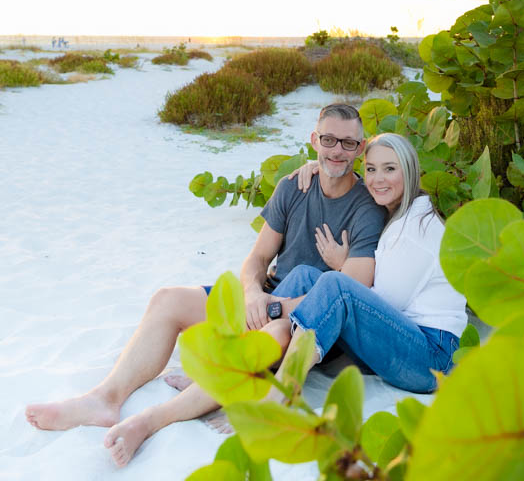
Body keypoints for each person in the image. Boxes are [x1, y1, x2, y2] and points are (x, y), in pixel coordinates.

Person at [25, 103, 387, 468]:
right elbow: (258, 259)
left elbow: (350, 289)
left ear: (360, 148)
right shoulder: (293, 185)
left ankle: (152, 420)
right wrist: (252, 293)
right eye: (328, 140)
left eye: (347, 143)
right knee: (167, 300)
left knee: (263, 338)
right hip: (268, 296)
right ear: (314, 140)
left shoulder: (367, 207)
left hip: (305, 321)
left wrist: (272, 307)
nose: (336, 151)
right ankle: (105, 398)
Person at [263, 132, 468, 394]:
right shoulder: (398, 211)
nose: (377, 179)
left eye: (390, 169)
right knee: (305, 275)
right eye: (371, 169)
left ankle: (281, 389)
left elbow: (384, 302)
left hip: (432, 357)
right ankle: (241, 356)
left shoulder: (415, 229)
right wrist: (319, 168)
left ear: (410, 172)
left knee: (336, 285)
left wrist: (340, 268)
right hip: (401, 338)